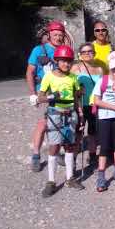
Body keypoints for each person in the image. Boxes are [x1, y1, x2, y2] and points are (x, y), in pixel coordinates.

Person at [37, 45, 85, 197]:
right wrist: (52, 97)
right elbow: (40, 97)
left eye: (69, 61)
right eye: (63, 61)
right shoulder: (49, 77)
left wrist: (80, 114)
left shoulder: (73, 77)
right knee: (54, 146)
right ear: (57, 61)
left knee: (70, 146)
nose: (67, 64)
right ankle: (51, 181)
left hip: (71, 113)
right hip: (55, 114)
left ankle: (69, 178)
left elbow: (76, 97)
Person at [26, 20, 66, 172]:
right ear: (49, 34)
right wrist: (32, 94)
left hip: (61, 93)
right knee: (43, 124)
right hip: (43, 93)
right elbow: (30, 72)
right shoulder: (38, 50)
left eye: (60, 35)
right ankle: (36, 155)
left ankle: (57, 151)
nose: (58, 37)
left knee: (61, 123)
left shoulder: (64, 50)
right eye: (55, 34)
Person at [92, 53, 115, 192]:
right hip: (104, 117)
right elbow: (97, 101)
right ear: (109, 68)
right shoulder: (102, 81)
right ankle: (101, 175)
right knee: (104, 146)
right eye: (114, 69)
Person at [70, 43, 103, 166]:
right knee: (79, 132)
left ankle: (92, 155)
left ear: (94, 53)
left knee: (93, 132)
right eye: (84, 52)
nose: (88, 54)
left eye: (90, 51)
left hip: (94, 105)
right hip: (81, 105)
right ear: (80, 54)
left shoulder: (99, 69)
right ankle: (72, 158)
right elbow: (71, 86)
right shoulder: (75, 68)